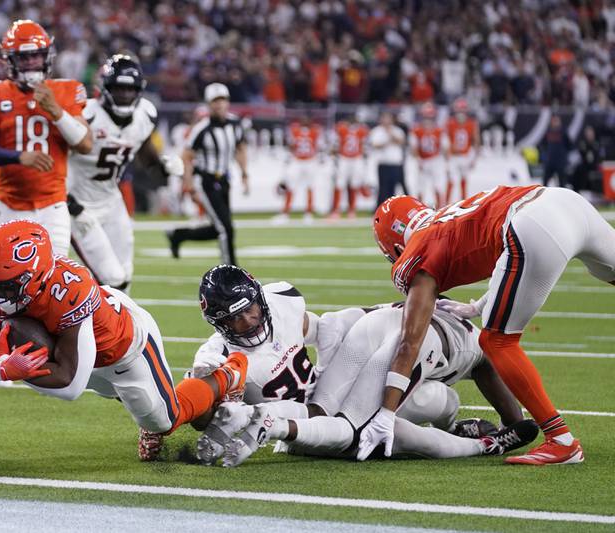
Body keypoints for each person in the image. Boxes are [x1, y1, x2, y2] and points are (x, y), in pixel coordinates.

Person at [0, 220, 248, 461]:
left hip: (123, 347)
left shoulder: (71, 292)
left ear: (39, 277)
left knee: (166, 419)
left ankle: (228, 373)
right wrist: (2, 370)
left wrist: (21, 371)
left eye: (7, 285)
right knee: (122, 395)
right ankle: (145, 402)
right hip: (76, 356)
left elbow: (71, 384)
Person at [367, 186, 615, 465]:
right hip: (565, 201)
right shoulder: (449, 216)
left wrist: (386, 415)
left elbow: (409, 342)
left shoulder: (418, 249)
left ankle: (561, 441)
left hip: (534, 224)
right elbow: (507, 256)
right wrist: (479, 307)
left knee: (496, 342)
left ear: (396, 247)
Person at [190, 265, 533, 467]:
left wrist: (328, 366)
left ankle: (453, 427)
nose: (249, 321)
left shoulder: (281, 301)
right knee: (385, 431)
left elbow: (324, 327)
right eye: (235, 319)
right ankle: (485, 445)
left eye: (251, 309)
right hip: (298, 422)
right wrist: (169, 419)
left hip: (328, 392)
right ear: (219, 324)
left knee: (438, 399)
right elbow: (201, 409)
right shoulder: (217, 355)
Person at [0, 19, 93, 256]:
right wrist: (19, 157)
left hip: (53, 206)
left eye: (36, 55)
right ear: (9, 60)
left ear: (47, 56)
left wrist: (56, 111)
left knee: (52, 280)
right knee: (3, 280)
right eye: (24, 57)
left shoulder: (67, 90)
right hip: (8, 204)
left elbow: (85, 144)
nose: (31, 62)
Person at [67, 54, 182, 291]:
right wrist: (65, 199)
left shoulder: (144, 116)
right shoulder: (86, 114)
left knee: (124, 277)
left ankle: (117, 327)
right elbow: (56, 159)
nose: (125, 95)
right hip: (77, 204)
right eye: (119, 88)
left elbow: (147, 159)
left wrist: (163, 167)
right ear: (105, 88)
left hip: (111, 200)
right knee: (110, 277)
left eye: (130, 90)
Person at [166, 83, 248, 264]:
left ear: (228, 102)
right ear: (209, 104)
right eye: (215, 101)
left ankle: (178, 235)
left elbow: (241, 148)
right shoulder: (201, 129)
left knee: (219, 228)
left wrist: (244, 174)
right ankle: (231, 270)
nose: (219, 105)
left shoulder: (235, 124)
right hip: (206, 181)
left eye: (222, 100)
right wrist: (188, 183)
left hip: (225, 180)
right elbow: (186, 156)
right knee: (225, 228)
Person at [275, 117, 324, 224]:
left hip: (309, 161)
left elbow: (319, 146)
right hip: (299, 160)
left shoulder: (312, 131)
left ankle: (308, 212)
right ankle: (286, 213)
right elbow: (291, 145)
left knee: (309, 187)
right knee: (292, 186)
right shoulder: (300, 130)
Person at [330, 116, 369, 220]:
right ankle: (336, 210)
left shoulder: (361, 130)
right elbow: (335, 144)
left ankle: (351, 210)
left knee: (354, 184)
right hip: (344, 158)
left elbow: (364, 145)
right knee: (340, 184)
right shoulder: (341, 129)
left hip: (356, 158)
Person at [410, 102, 448, 207]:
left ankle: (440, 209)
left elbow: (445, 148)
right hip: (423, 159)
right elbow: (413, 148)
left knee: (438, 186)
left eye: (430, 118)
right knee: (420, 187)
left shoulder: (439, 131)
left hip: (435, 159)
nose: (428, 121)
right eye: (426, 118)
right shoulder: (417, 130)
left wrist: (446, 162)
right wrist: (418, 159)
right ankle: (420, 209)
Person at [369, 111, 406, 208]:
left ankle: (392, 208)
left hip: (396, 163)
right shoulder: (377, 131)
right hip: (383, 163)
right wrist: (387, 140)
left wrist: (390, 134)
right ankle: (379, 208)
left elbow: (401, 141)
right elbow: (375, 144)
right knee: (382, 188)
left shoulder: (397, 130)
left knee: (394, 188)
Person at [445, 99, 479, 202]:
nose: (460, 114)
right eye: (459, 111)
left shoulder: (471, 124)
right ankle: (446, 203)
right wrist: (447, 155)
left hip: (465, 155)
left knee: (464, 180)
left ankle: (464, 203)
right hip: (453, 156)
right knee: (451, 180)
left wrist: (474, 158)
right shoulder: (449, 123)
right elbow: (445, 140)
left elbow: (476, 140)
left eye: (462, 111)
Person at [541, 116, 571, 188]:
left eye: (557, 121)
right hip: (550, 161)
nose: (555, 123)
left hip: (560, 162)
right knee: (545, 182)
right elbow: (543, 144)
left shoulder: (563, 132)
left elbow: (569, 145)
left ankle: (562, 198)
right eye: (554, 121)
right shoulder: (548, 132)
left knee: (562, 183)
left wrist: (564, 156)